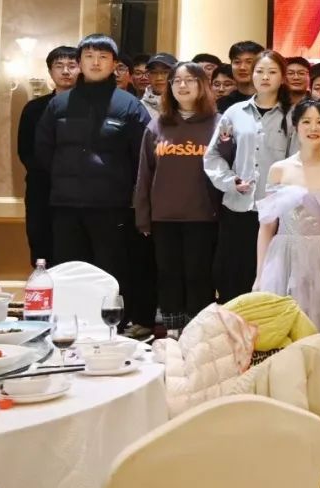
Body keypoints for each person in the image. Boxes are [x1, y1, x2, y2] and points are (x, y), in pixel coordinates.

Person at [35, 34, 150, 283]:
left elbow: (142, 156)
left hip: (111, 206)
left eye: (103, 57)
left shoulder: (130, 105)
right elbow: (43, 151)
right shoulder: (58, 104)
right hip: (65, 205)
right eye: (89, 56)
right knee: (67, 273)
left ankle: (112, 311)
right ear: (80, 62)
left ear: (115, 64)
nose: (95, 63)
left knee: (110, 273)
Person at [204, 50, 298, 303]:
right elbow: (213, 155)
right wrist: (230, 181)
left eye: (272, 72)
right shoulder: (235, 112)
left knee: (270, 275)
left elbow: (298, 163)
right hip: (238, 205)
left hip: (276, 210)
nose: (265, 77)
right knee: (231, 272)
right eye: (260, 71)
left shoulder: (293, 116)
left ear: (282, 77)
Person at [134, 61, 220, 336]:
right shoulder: (157, 125)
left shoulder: (218, 124)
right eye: (177, 81)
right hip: (163, 217)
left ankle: (198, 331)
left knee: (198, 275)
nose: (182, 86)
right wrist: (143, 217)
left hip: (203, 216)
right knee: (168, 274)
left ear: (202, 85)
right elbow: (144, 175)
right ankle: (173, 329)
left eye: (190, 80)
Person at [255, 99, 320, 334]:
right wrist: (260, 274)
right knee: (284, 325)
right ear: (296, 127)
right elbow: (267, 226)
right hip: (285, 256)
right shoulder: (279, 170)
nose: (313, 128)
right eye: (306, 122)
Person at [17, 46, 79, 266]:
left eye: (72, 66)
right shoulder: (34, 108)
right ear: (50, 71)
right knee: (41, 244)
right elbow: (25, 151)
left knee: (74, 250)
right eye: (59, 66)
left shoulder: (90, 108)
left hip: (78, 190)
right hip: (42, 188)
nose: (65, 71)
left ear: (81, 69)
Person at [217, 40, 263, 112]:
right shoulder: (222, 104)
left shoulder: (270, 100)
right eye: (237, 62)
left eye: (249, 62)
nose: (242, 67)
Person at [141, 52, 177, 118]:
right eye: (154, 72)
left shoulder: (186, 106)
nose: (159, 78)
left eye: (165, 72)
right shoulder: (139, 108)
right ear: (148, 76)